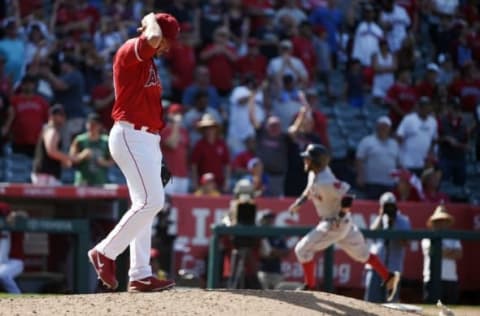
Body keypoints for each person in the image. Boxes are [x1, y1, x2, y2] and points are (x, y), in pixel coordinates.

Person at [87, 12, 180, 292]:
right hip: (130, 134)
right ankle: (105, 252)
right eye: (167, 39)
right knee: (152, 201)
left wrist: (157, 154)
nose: (168, 46)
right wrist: (150, 18)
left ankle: (140, 274)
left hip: (147, 138)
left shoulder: (149, 60)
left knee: (144, 205)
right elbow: (151, 36)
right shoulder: (132, 49)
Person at [288, 143, 400, 301]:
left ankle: (310, 286)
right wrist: (299, 203)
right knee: (362, 255)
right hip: (343, 223)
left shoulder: (326, 180)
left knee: (302, 250)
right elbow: (309, 190)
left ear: (317, 162)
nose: (305, 161)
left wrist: (340, 215)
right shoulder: (314, 174)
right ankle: (388, 276)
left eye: (308, 159)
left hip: (334, 222)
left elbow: (349, 194)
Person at [364, 192, 411, 303]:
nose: (388, 209)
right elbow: (370, 235)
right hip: (376, 268)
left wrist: (393, 224)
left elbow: (406, 242)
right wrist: (381, 217)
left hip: (394, 268)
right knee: (371, 302)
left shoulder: (403, 221)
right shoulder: (378, 219)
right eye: (386, 206)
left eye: (391, 206)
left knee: (391, 304)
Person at [422, 205, 462, 304]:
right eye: (438, 220)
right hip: (431, 280)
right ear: (433, 222)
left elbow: (459, 254)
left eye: (443, 220)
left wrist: (442, 252)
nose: (441, 223)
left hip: (451, 279)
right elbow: (434, 253)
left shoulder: (453, 237)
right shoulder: (427, 238)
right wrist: (450, 251)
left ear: (447, 222)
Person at [356, 116, 400, 200]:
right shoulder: (367, 141)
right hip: (372, 181)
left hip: (389, 182)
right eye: (381, 126)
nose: (383, 129)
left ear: (389, 129)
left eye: (386, 127)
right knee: (372, 204)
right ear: (377, 127)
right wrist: (360, 176)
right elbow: (359, 159)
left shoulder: (394, 144)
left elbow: (398, 163)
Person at [31, 104, 72, 186]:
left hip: (48, 174)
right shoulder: (51, 130)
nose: (63, 118)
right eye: (61, 115)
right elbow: (51, 151)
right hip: (45, 175)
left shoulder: (50, 129)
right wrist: (69, 158)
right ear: (53, 116)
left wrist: (63, 160)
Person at [396, 96, 438, 176]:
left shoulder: (433, 122)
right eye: (422, 106)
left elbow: (434, 140)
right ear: (418, 107)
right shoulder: (409, 119)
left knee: (421, 188)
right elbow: (399, 137)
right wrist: (398, 159)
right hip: (407, 163)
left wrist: (431, 155)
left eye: (427, 106)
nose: (425, 108)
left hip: (424, 165)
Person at [69, 113, 114, 186]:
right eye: (89, 123)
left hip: (100, 181)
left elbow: (112, 161)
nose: (91, 126)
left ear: (100, 126)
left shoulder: (106, 141)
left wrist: (104, 162)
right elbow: (70, 159)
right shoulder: (79, 140)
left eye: (94, 124)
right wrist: (82, 156)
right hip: (82, 181)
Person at [191, 114, 231, 193]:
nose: (209, 130)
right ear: (203, 130)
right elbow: (194, 165)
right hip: (203, 185)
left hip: (219, 184)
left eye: (211, 127)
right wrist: (195, 183)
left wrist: (227, 181)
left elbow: (227, 164)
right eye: (206, 128)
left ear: (215, 129)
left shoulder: (222, 144)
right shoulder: (199, 145)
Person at [160, 104, 190, 195]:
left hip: (183, 174)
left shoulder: (184, 131)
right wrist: (176, 125)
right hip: (169, 175)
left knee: (182, 205)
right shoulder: (164, 130)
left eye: (180, 113)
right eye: (175, 113)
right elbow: (172, 144)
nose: (179, 115)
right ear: (169, 115)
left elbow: (186, 152)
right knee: (168, 205)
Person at [257, 211, 289, 290]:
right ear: (262, 220)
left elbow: (286, 252)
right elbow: (262, 253)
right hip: (262, 270)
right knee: (263, 294)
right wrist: (273, 253)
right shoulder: (259, 234)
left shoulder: (277, 234)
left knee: (279, 294)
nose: (269, 221)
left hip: (276, 271)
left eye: (271, 218)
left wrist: (274, 252)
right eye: (267, 218)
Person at [0, 202, 24, 294]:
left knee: (3, 275)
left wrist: (14, 215)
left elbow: (24, 215)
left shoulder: (15, 223)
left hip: (15, 261)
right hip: (2, 262)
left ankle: (17, 297)